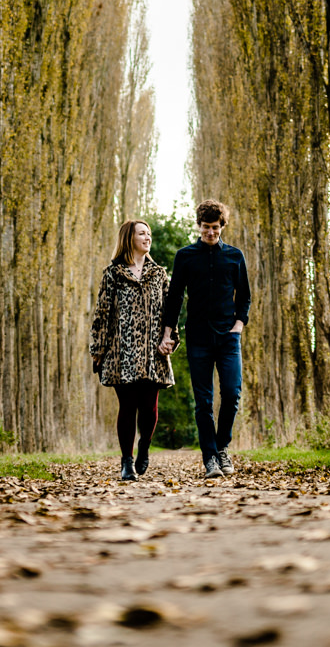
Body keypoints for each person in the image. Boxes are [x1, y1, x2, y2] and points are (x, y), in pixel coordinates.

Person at [160, 199, 250, 479]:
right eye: (206, 228)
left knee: (232, 394)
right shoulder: (185, 256)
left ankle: (221, 447)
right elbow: (174, 298)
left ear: (222, 226)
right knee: (203, 402)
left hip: (228, 338)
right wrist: (167, 332)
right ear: (198, 226)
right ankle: (210, 458)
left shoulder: (235, 256)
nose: (210, 233)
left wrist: (238, 325)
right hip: (198, 337)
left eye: (215, 228)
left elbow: (244, 296)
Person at [90, 219, 175, 481]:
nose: (147, 238)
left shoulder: (159, 273)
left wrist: (171, 340)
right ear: (129, 238)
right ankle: (126, 462)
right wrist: (98, 350)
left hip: (153, 353)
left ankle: (144, 448)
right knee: (127, 406)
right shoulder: (113, 274)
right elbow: (102, 313)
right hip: (121, 352)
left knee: (149, 408)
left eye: (149, 233)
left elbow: (169, 312)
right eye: (142, 233)